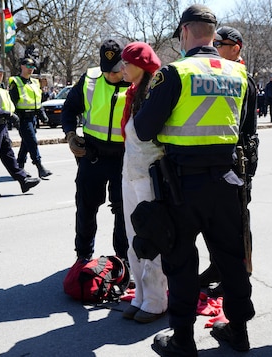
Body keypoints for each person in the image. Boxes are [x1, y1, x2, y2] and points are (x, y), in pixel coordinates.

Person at [133, 5, 255, 354]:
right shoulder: (239, 74)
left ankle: (183, 340)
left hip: (181, 185)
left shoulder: (175, 73)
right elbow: (245, 130)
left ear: (185, 31)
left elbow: (143, 130)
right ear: (213, 35)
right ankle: (239, 331)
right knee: (231, 259)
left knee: (181, 261)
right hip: (227, 181)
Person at [198, 25, 259, 294]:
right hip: (218, 158)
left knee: (236, 222)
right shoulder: (217, 75)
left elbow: (243, 124)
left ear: (236, 48)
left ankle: (239, 273)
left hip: (239, 158)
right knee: (212, 220)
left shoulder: (242, 77)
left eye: (220, 44)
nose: (216, 48)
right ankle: (217, 266)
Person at [61, 39, 131, 261]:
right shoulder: (90, 78)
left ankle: (122, 259)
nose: (111, 75)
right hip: (93, 156)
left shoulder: (137, 82)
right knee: (86, 207)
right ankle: (83, 256)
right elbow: (69, 109)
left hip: (124, 157)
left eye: (116, 70)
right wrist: (71, 135)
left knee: (123, 211)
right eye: (107, 70)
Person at [118, 42, 168, 324]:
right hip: (131, 172)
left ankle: (156, 299)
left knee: (150, 237)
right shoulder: (132, 93)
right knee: (132, 237)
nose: (122, 67)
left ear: (141, 65)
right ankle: (142, 293)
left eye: (126, 62)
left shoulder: (155, 92)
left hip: (149, 174)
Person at [0, 62, 41, 199]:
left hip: (1, 126)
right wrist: (10, 115)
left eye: (1, 74)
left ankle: (23, 180)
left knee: (8, 154)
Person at [9, 57, 52, 178]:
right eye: (28, 66)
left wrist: (42, 114)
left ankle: (19, 166)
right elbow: (12, 102)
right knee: (32, 141)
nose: (31, 69)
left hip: (33, 117)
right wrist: (14, 117)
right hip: (22, 117)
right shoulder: (16, 82)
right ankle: (39, 166)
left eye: (33, 67)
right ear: (22, 66)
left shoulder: (34, 82)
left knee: (26, 142)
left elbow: (37, 100)